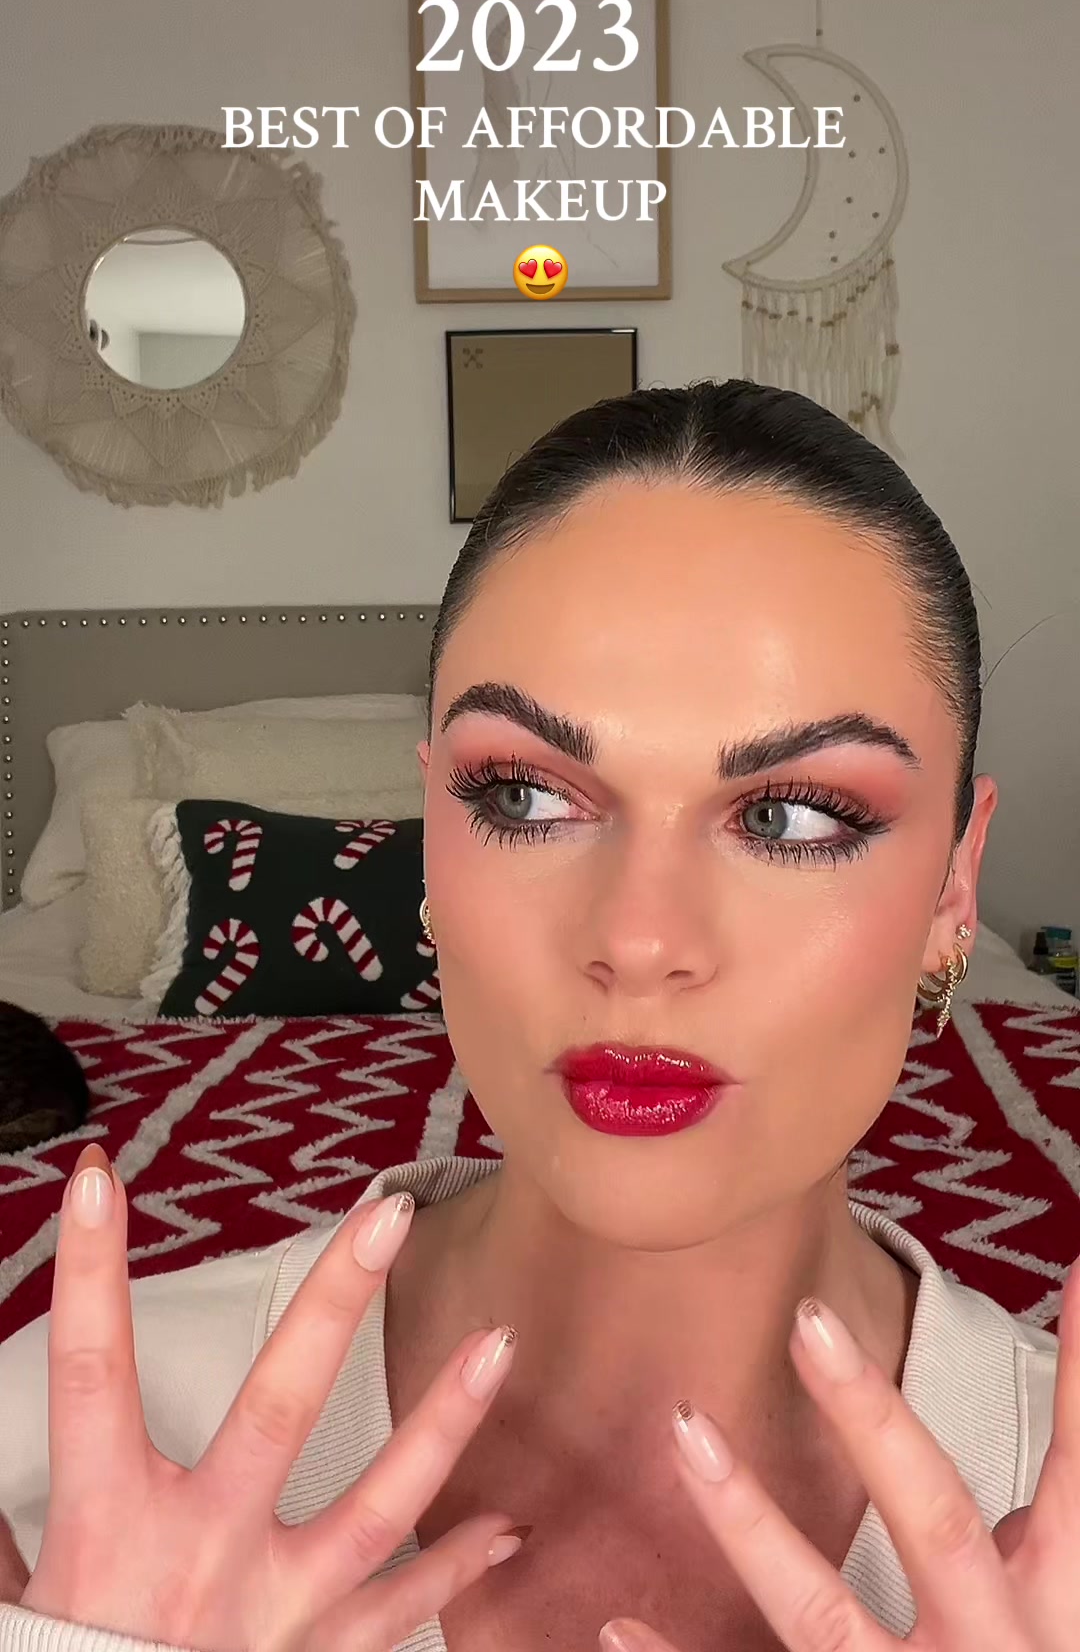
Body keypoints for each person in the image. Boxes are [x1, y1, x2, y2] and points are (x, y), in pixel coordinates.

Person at [0, 379, 1073, 1652]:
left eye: (793, 817)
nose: (639, 940)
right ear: (431, 838)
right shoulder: (58, 1439)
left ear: (955, 884)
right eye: (523, 797)